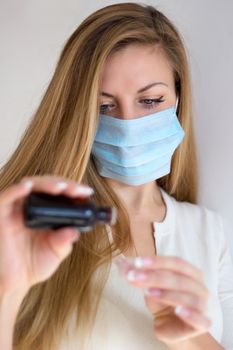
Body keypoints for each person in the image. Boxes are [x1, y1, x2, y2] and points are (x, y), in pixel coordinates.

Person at [0, 2, 232, 350]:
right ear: (79, 113)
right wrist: (7, 287)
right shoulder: (23, 223)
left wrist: (189, 338)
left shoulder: (210, 234)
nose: (128, 124)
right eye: (104, 106)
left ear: (179, 99)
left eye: (151, 101)